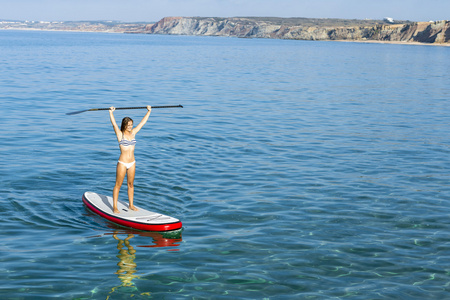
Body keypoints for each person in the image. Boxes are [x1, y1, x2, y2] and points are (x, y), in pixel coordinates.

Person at [109, 106, 151, 214]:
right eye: (128, 125)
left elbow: (142, 123)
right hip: (122, 163)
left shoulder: (133, 133)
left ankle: (131, 205)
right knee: (118, 185)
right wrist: (111, 112)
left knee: (131, 184)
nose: (130, 127)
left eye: (131, 125)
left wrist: (149, 111)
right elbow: (114, 124)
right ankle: (115, 207)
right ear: (124, 125)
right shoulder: (120, 134)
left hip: (132, 162)